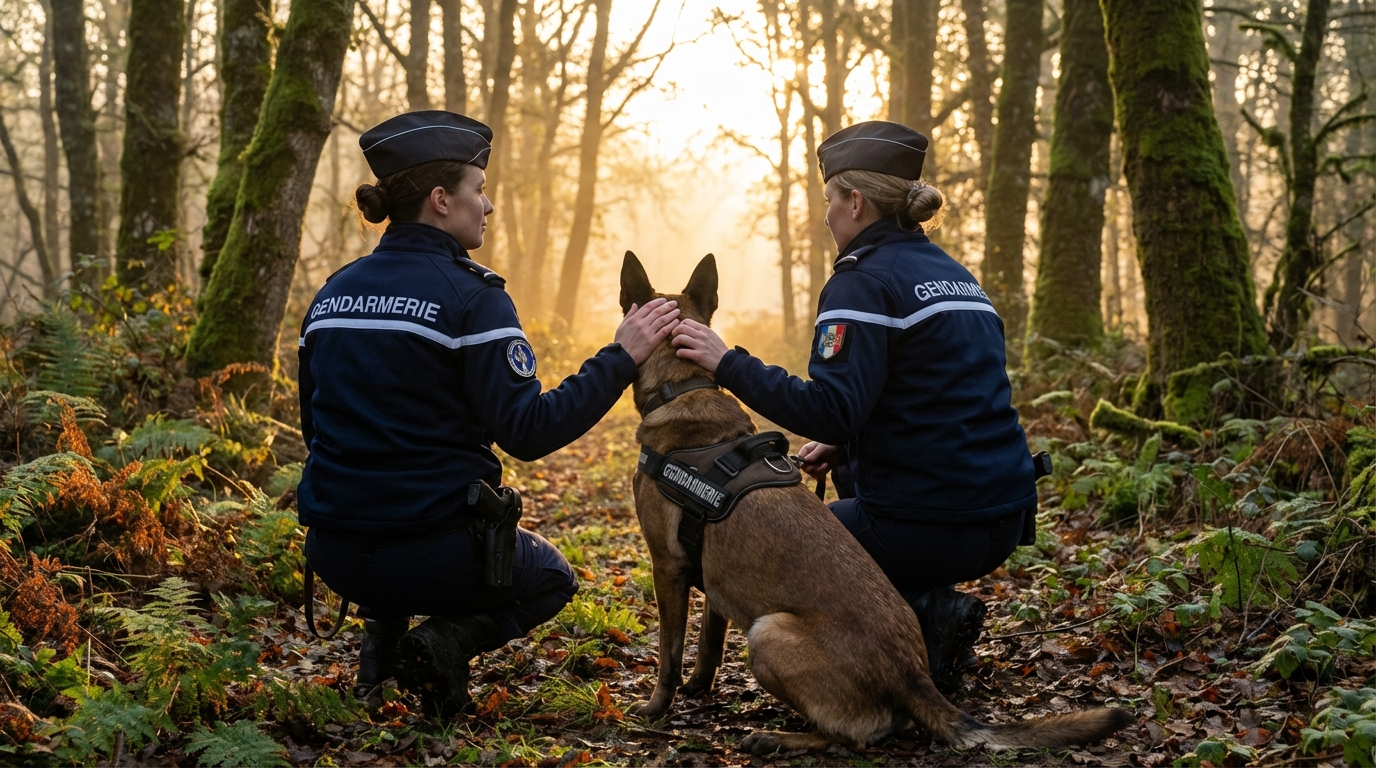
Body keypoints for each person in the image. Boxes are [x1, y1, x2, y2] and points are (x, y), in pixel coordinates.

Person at [296, 111, 680, 713]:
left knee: (387, 499)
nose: (489, 205)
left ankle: (378, 665)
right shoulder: (474, 298)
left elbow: (314, 430)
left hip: (333, 554)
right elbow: (528, 431)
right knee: (552, 578)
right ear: (441, 200)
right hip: (429, 557)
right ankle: (440, 643)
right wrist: (622, 356)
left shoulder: (333, 295)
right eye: (478, 189)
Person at [671, 120, 1035, 692]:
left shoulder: (863, 283)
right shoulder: (954, 276)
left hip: (935, 524)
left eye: (829, 201)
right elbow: (933, 396)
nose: (825, 216)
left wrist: (727, 363)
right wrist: (848, 444)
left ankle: (913, 630)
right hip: (1002, 515)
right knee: (836, 501)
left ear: (856, 201)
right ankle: (923, 609)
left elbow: (831, 407)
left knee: (768, 548)